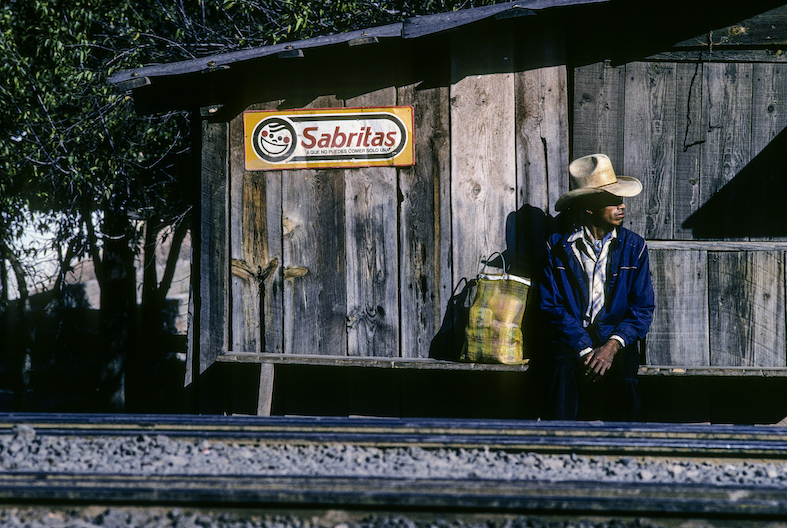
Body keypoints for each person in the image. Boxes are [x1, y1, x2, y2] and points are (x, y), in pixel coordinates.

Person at [539, 153, 655, 421]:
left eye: (621, 201)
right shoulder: (558, 247)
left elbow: (642, 308)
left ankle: (623, 452)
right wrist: (584, 347)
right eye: (611, 201)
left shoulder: (634, 246)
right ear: (589, 207)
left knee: (627, 383)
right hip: (570, 338)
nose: (621, 207)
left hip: (615, 338)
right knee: (561, 372)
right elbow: (551, 305)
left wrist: (611, 346)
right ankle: (559, 447)